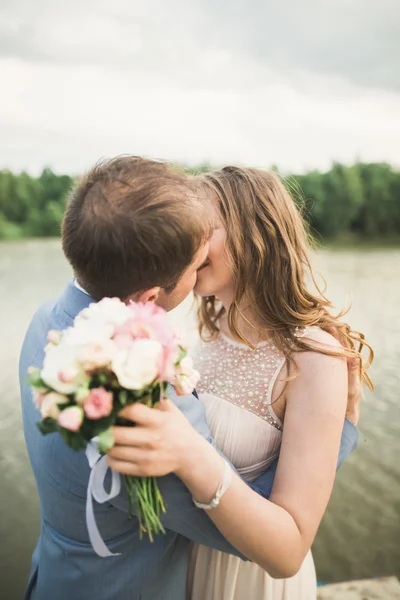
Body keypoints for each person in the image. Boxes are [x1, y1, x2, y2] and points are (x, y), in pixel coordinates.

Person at [106, 166, 373, 600]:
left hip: (250, 583)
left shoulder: (314, 358)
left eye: (200, 229)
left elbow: (289, 550)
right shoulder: (206, 333)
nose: (183, 243)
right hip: (181, 569)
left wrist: (191, 456)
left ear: (256, 233)